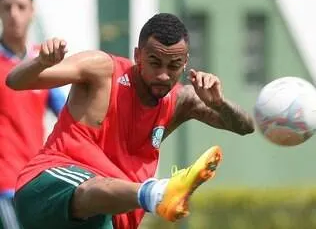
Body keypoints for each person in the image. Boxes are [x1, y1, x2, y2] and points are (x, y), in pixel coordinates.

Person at [7, 13, 254, 229]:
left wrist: (219, 103)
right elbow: (15, 81)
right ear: (138, 55)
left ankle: (158, 194)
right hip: (48, 190)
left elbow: (245, 126)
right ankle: (160, 192)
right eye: (155, 63)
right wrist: (41, 61)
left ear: (185, 62)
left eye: (174, 65)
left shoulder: (182, 100)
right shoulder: (101, 69)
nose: (163, 74)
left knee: (100, 199)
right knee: (89, 188)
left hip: (107, 218)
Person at [0, 0, 66, 228]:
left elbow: (69, 116)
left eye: (20, 6)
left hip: (35, 182)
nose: (13, 14)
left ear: (32, 10)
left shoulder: (43, 61)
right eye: (7, 7)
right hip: (4, 185)